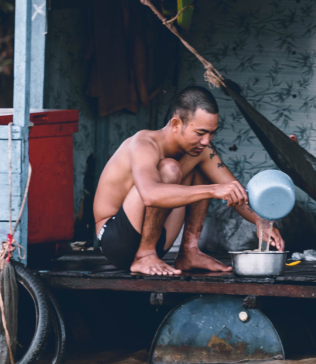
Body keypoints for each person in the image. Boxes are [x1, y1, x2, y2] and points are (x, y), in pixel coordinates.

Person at [93, 86, 285, 276]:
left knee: (201, 166)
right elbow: (150, 195)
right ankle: (145, 254)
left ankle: (189, 251)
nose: (206, 141)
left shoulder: (201, 151)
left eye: (212, 133)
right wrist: (212, 190)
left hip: (157, 239)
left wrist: (261, 223)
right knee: (169, 169)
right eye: (200, 133)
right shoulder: (144, 144)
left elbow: (234, 190)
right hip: (115, 239)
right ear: (176, 124)